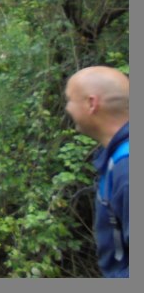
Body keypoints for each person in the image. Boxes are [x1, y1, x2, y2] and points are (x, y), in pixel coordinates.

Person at [64, 66, 129, 278]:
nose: (67, 108)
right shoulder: (118, 157)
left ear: (92, 103)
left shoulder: (127, 171)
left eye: (70, 100)